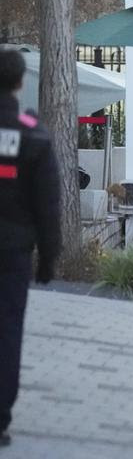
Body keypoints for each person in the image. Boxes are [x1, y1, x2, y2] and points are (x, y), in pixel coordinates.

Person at [0, 49, 61, 446]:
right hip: (12, 250)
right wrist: (49, 257)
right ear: (21, 82)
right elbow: (48, 202)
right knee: (7, 329)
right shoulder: (32, 134)